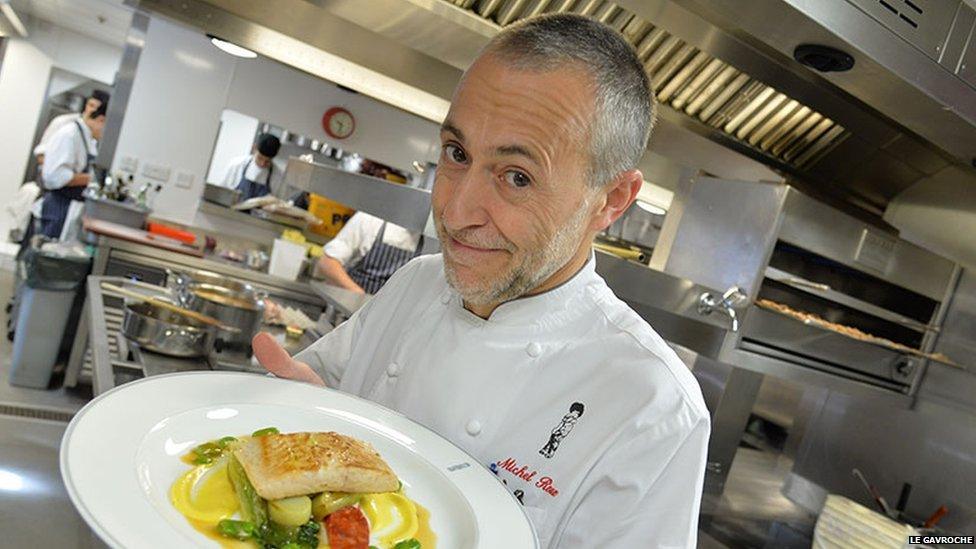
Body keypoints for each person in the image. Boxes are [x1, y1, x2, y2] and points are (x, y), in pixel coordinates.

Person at [252, 14, 709, 548]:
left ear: (610, 200)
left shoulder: (652, 407)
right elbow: (318, 400)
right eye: (457, 154)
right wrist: (297, 417)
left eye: (517, 177)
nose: (456, 210)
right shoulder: (416, 284)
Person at [39, 97, 109, 239]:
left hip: (68, 206)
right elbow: (55, 176)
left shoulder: (86, 137)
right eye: (107, 129)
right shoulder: (70, 134)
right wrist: (94, 178)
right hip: (58, 205)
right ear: (101, 120)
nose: (105, 135)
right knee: (48, 256)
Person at [314, 211, 425, 294]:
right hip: (349, 314)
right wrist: (361, 298)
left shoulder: (429, 239)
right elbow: (327, 263)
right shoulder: (369, 219)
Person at [33, 90, 110, 164]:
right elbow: (41, 152)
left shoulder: (96, 133)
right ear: (85, 105)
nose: (92, 110)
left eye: (97, 108)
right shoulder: (63, 122)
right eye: (91, 105)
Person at [219, 133, 281, 200]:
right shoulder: (236, 165)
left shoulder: (278, 176)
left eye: (267, 161)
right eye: (260, 158)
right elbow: (220, 193)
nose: (262, 164)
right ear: (254, 148)